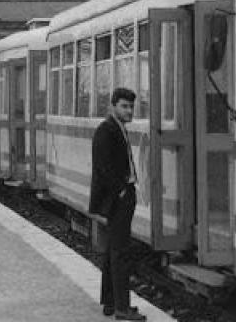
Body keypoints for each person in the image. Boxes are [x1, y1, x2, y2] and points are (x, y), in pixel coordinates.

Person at [89, 88, 145, 321]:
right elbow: (103, 168)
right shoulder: (106, 131)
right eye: (124, 106)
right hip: (118, 199)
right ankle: (122, 308)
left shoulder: (117, 128)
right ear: (113, 106)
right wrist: (121, 191)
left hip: (121, 196)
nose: (129, 111)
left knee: (113, 250)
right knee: (120, 253)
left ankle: (110, 302)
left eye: (131, 106)